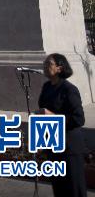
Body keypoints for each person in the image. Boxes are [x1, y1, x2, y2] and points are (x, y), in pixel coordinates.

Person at [38, 53, 87, 197]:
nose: (45, 67)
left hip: (69, 147)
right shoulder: (47, 87)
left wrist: (53, 116)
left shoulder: (69, 89)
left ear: (59, 68)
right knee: (59, 188)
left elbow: (79, 119)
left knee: (74, 188)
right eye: (45, 64)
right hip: (53, 144)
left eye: (49, 64)